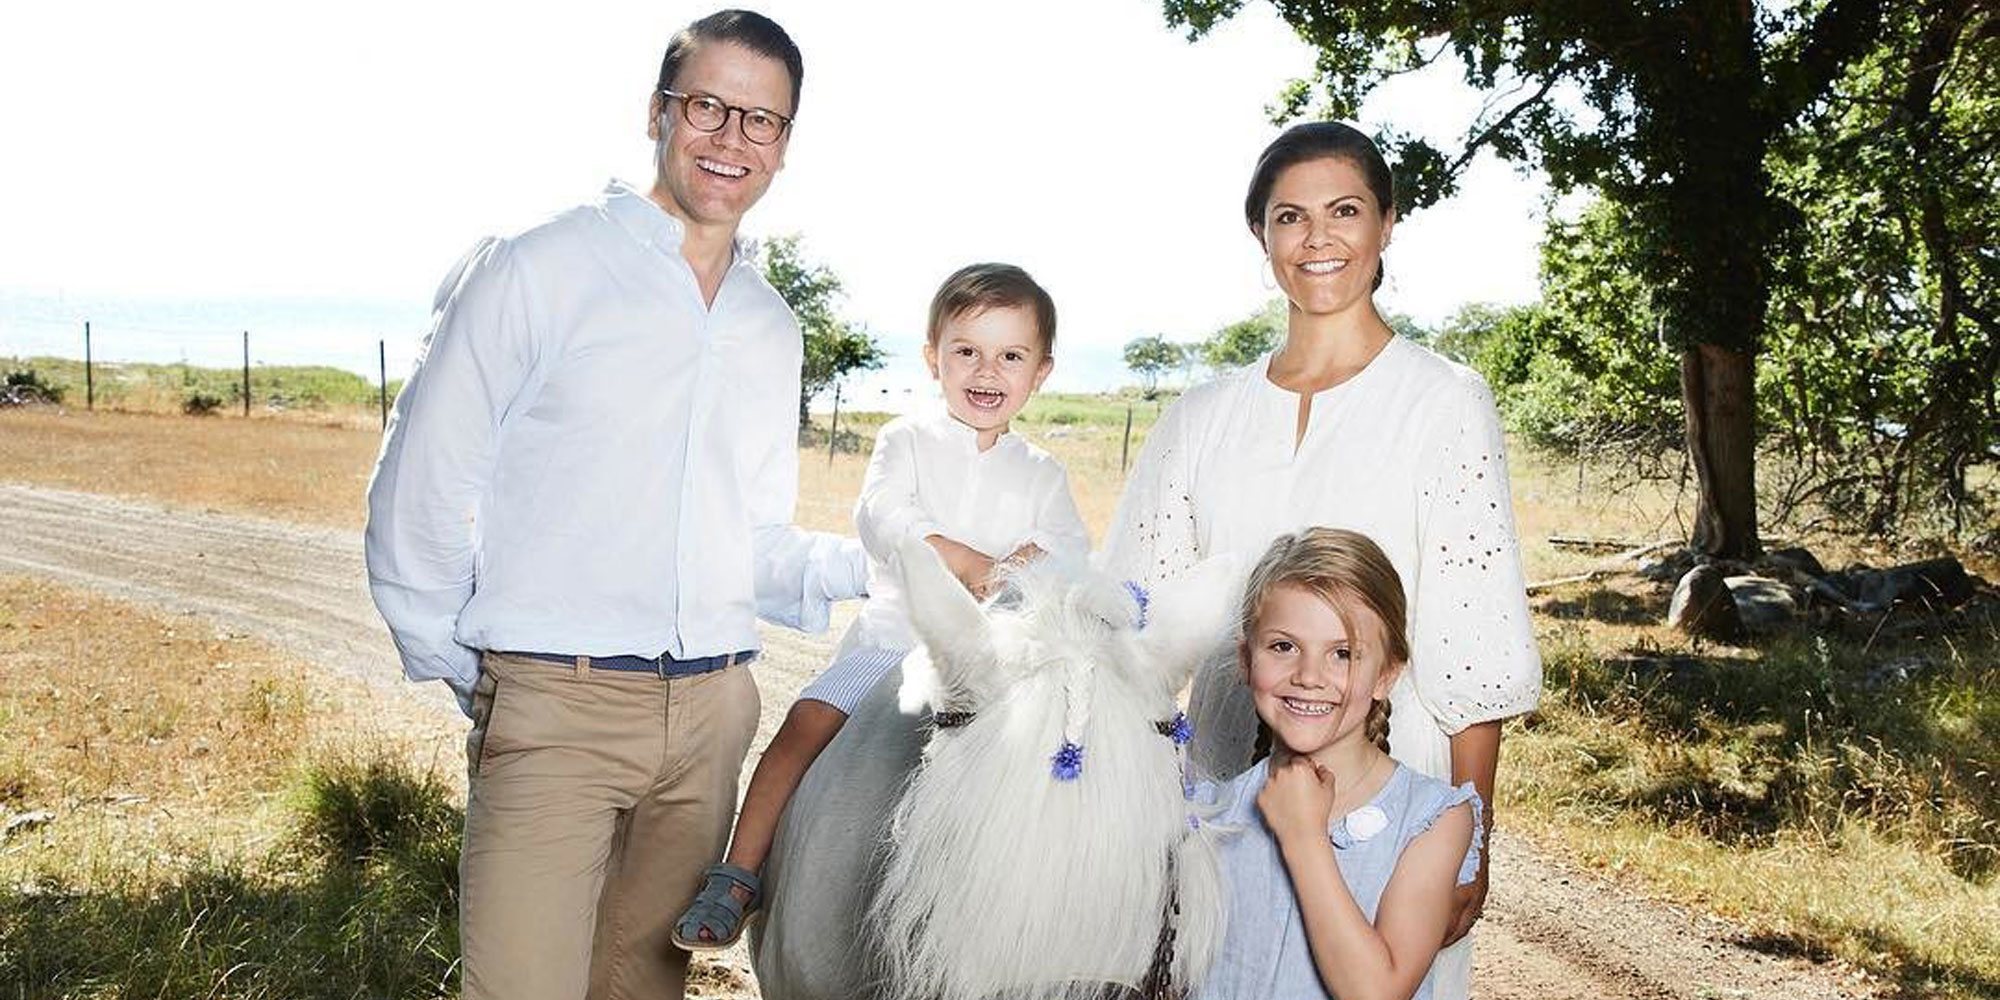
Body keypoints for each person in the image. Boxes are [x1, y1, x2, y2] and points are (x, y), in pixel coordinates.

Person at [363, 11, 866, 1000]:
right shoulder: (539, 268)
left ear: (784, 145)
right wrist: (482, 669)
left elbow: (750, 539)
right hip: (557, 706)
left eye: (760, 121)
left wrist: (895, 558)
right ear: (658, 113)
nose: (731, 139)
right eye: (708, 107)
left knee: (641, 991)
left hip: (713, 719)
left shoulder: (769, 327)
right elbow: (420, 483)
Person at [1100, 120, 1540, 997]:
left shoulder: (1444, 402)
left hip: (1393, 794)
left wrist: (1474, 834)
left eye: (1344, 211)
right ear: (1261, 237)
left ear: (1387, 226)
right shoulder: (1202, 417)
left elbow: (1473, 637)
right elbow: (1132, 623)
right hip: (1226, 785)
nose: (1318, 238)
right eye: (1289, 217)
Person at [672, 262, 1091, 949]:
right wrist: (966, 562)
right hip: (895, 643)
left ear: (1040, 370)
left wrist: (1023, 568)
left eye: (1010, 356)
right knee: (803, 727)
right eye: (967, 352)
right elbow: (885, 515)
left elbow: (1066, 549)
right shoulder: (906, 441)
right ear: (934, 357)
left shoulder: (1043, 473)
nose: (987, 372)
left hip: (997, 659)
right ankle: (740, 873)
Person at [1197, 527, 1481, 1000]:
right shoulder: (1207, 814)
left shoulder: (1432, 820)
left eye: (1342, 654)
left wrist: (1304, 837)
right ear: (1247, 660)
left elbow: (1378, 993)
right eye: (1283, 646)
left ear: (1386, 674)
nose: (1309, 676)